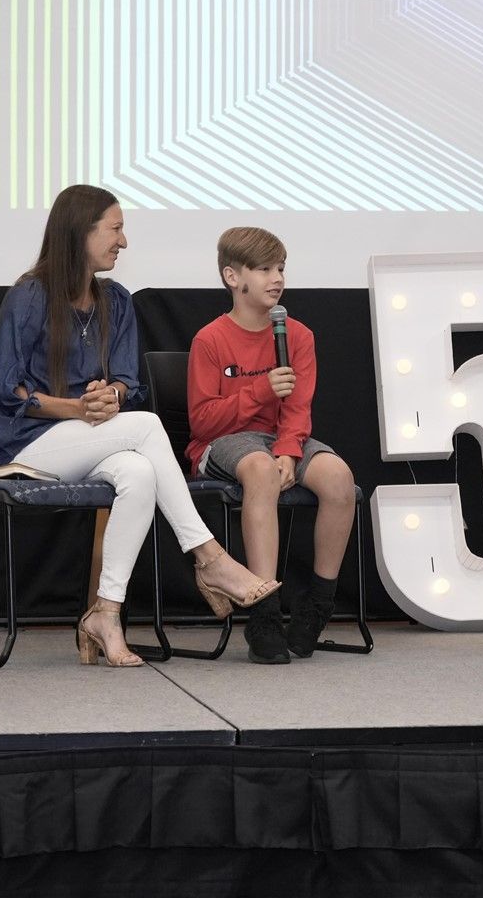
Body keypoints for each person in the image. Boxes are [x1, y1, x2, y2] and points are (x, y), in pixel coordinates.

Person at [0, 186, 279, 668]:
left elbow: (128, 382)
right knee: (145, 428)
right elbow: (7, 392)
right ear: (80, 232)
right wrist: (78, 407)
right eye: (115, 229)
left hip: (89, 438)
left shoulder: (115, 300)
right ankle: (209, 557)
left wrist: (111, 397)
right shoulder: (30, 295)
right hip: (28, 448)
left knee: (139, 474)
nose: (123, 241)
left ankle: (105, 613)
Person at [186, 227, 357, 664]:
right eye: (263, 269)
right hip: (222, 442)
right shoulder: (210, 339)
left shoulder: (296, 335)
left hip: (279, 438)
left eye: (280, 268)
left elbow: (298, 407)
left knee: (339, 479)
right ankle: (263, 611)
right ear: (232, 276)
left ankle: (317, 605)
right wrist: (261, 390)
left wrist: (289, 450)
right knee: (260, 470)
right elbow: (202, 420)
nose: (276, 278)